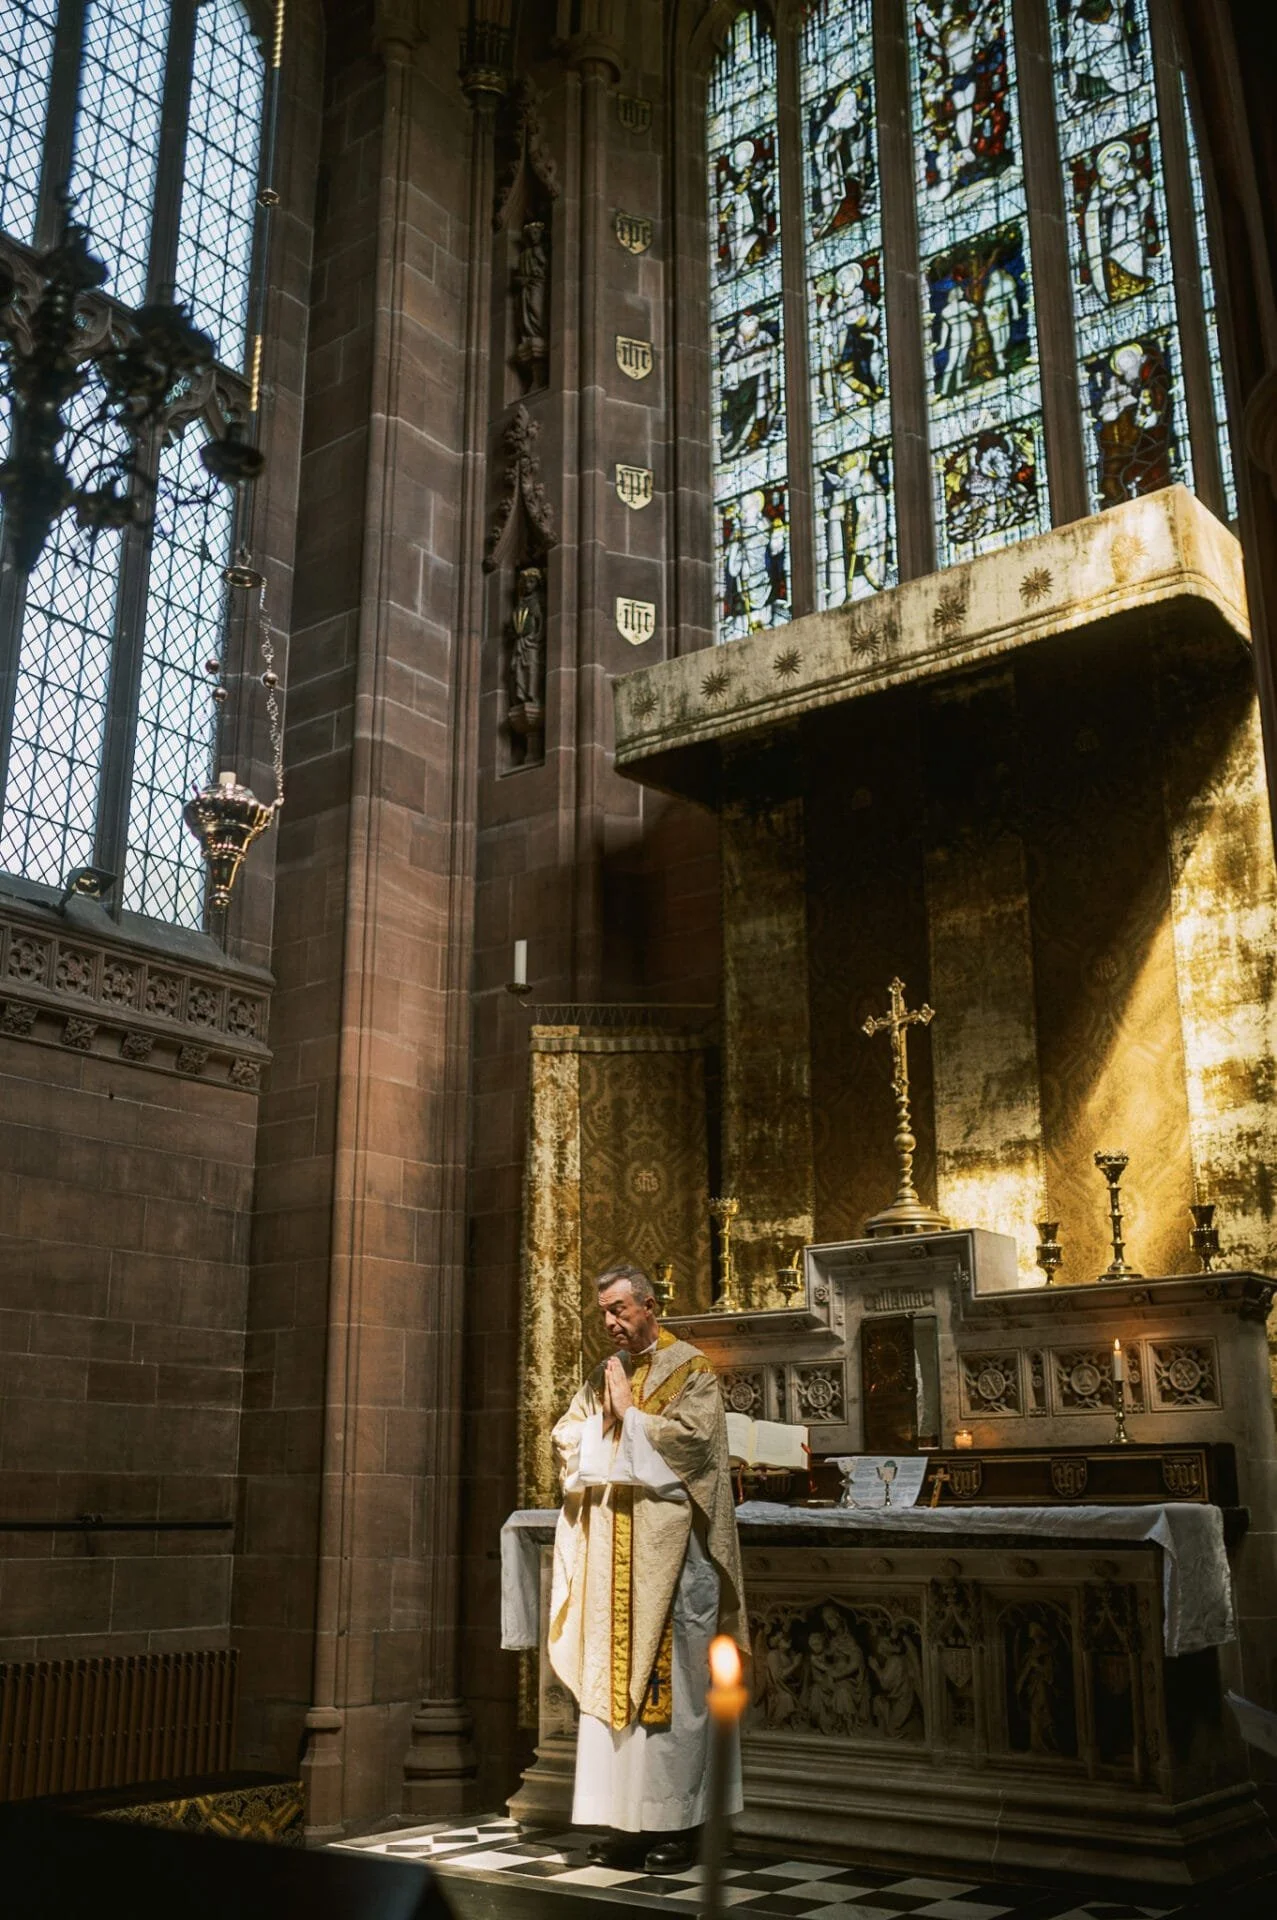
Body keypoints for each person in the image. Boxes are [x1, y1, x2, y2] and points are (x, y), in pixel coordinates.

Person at [549, 1264, 748, 1872]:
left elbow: (696, 1447)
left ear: (649, 1305)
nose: (609, 1322)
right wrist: (607, 1420)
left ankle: (680, 1824)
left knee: (675, 1691)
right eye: (603, 1313)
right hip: (612, 1562)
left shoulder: (694, 1372)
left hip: (674, 1563)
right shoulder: (602, 1374)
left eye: (618, 1309)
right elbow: (566, 1436)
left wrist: (629, 1417)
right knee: (614, 1693)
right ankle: (627, 1821)